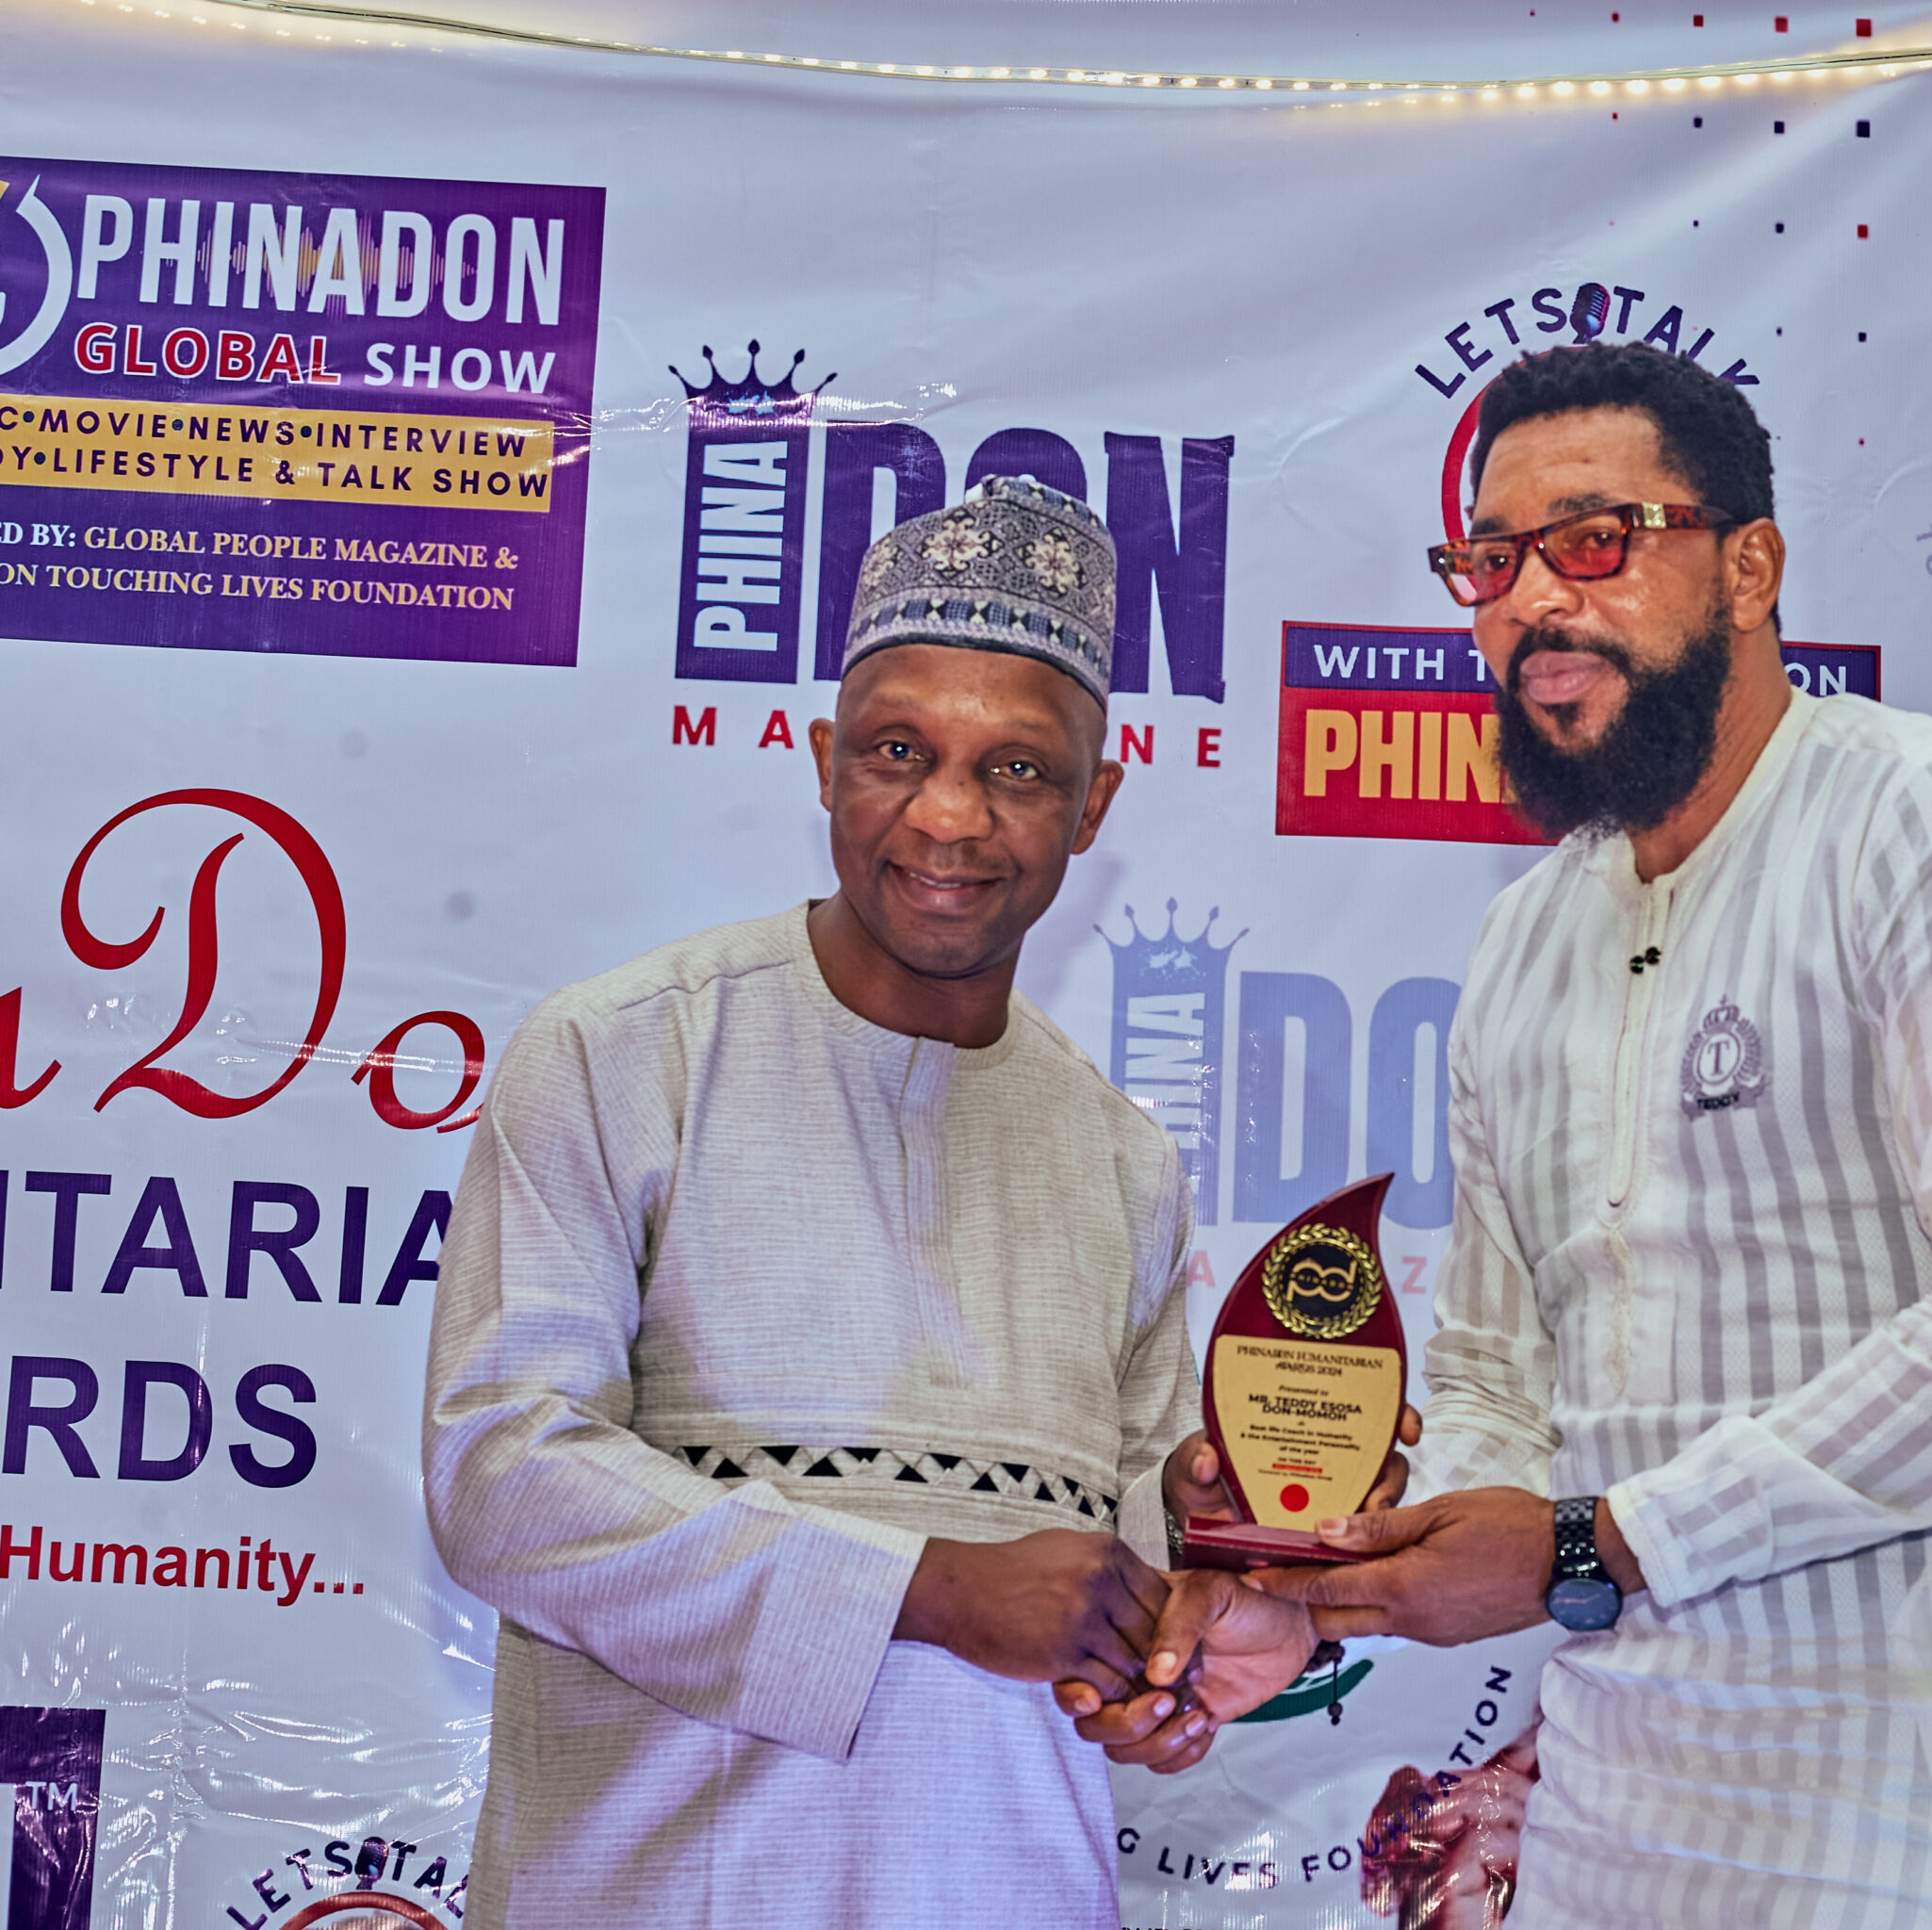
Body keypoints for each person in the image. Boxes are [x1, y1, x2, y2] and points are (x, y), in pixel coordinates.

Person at [1250, 342, 1932, 1924]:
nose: (1533, 603)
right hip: (1622, 1832)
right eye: (1492, 562)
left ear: (1751, 567)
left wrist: (1599, 1542)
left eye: (1594, 541)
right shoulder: (1524, 941)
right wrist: (1361, 1561)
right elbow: (1497, 1375)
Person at [422, 476, 1321, 1929]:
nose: (949, 817)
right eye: (901, 751)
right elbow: (506, 1484)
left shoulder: (1121, 1160)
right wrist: (927, 1589)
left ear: (1094, 804)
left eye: (1018, 769)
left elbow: (1117, 1569)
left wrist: (1198, 1588)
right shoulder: (623, 1055)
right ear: (825, 759)